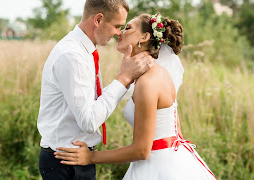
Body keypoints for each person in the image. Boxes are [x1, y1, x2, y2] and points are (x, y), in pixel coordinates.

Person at [54, 13, 217, 179]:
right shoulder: (155, 74)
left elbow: (141, 150)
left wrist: (90, 157)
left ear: (145, 36)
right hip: (166, 160)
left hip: (160, 167)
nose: (120, 32)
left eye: (128, 28)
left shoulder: (148, 82)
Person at [37, 0, 155, 180]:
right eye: (117, 26)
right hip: (64, 162)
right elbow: (89, 121)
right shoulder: (72, 55)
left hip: (75, 159)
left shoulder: (85, 51)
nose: (119, 33)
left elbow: (93, 101)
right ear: (98, 20)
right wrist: (123, 78)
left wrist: (128, 80)